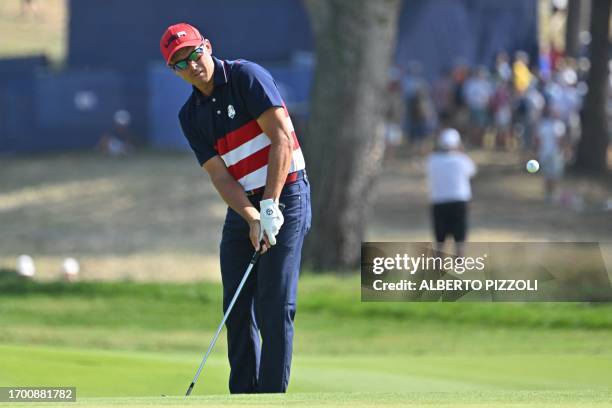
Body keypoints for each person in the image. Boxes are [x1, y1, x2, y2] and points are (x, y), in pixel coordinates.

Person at [160, 23, 311, 394]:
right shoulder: (190, 116)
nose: (192, 66)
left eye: (194, 54)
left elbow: (281, 141)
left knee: (274, 304)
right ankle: (243, 397)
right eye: (180, 63)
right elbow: (221, 177)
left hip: (287, 194)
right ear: (174, 71)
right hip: (245, 203)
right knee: (237, 305)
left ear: (207, 47)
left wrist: (271, 207)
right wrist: (252, 216)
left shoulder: (247, 77)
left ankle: (271, 397)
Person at [426, 127, 476, 257]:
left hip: (439, 200)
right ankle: (459, 261)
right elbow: (472, 171)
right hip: (459, 200)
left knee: (440, 237)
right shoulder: (462, 159)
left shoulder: (432, 160)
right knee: (460, 235)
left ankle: (439, 262)